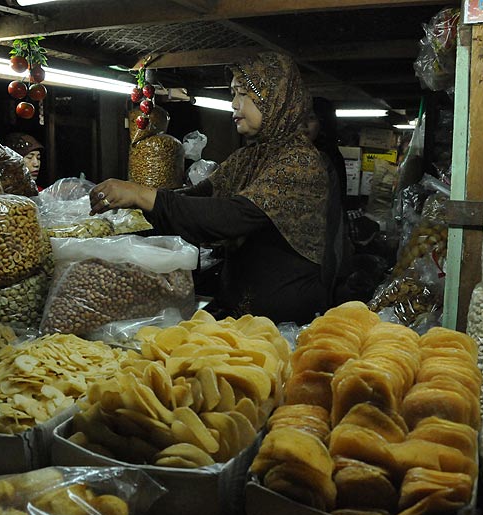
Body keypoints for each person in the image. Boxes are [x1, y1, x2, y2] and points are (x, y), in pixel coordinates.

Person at [90, 52, 336, 324]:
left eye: (243, 94)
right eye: (233, 94)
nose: (233, 104)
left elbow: (231, 217)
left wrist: (141, 194)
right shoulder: (250, 157)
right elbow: (198, 198)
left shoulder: (301, 161)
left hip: (283, 321)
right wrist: (129, 213)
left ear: (273, 101)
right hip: (239, 310)